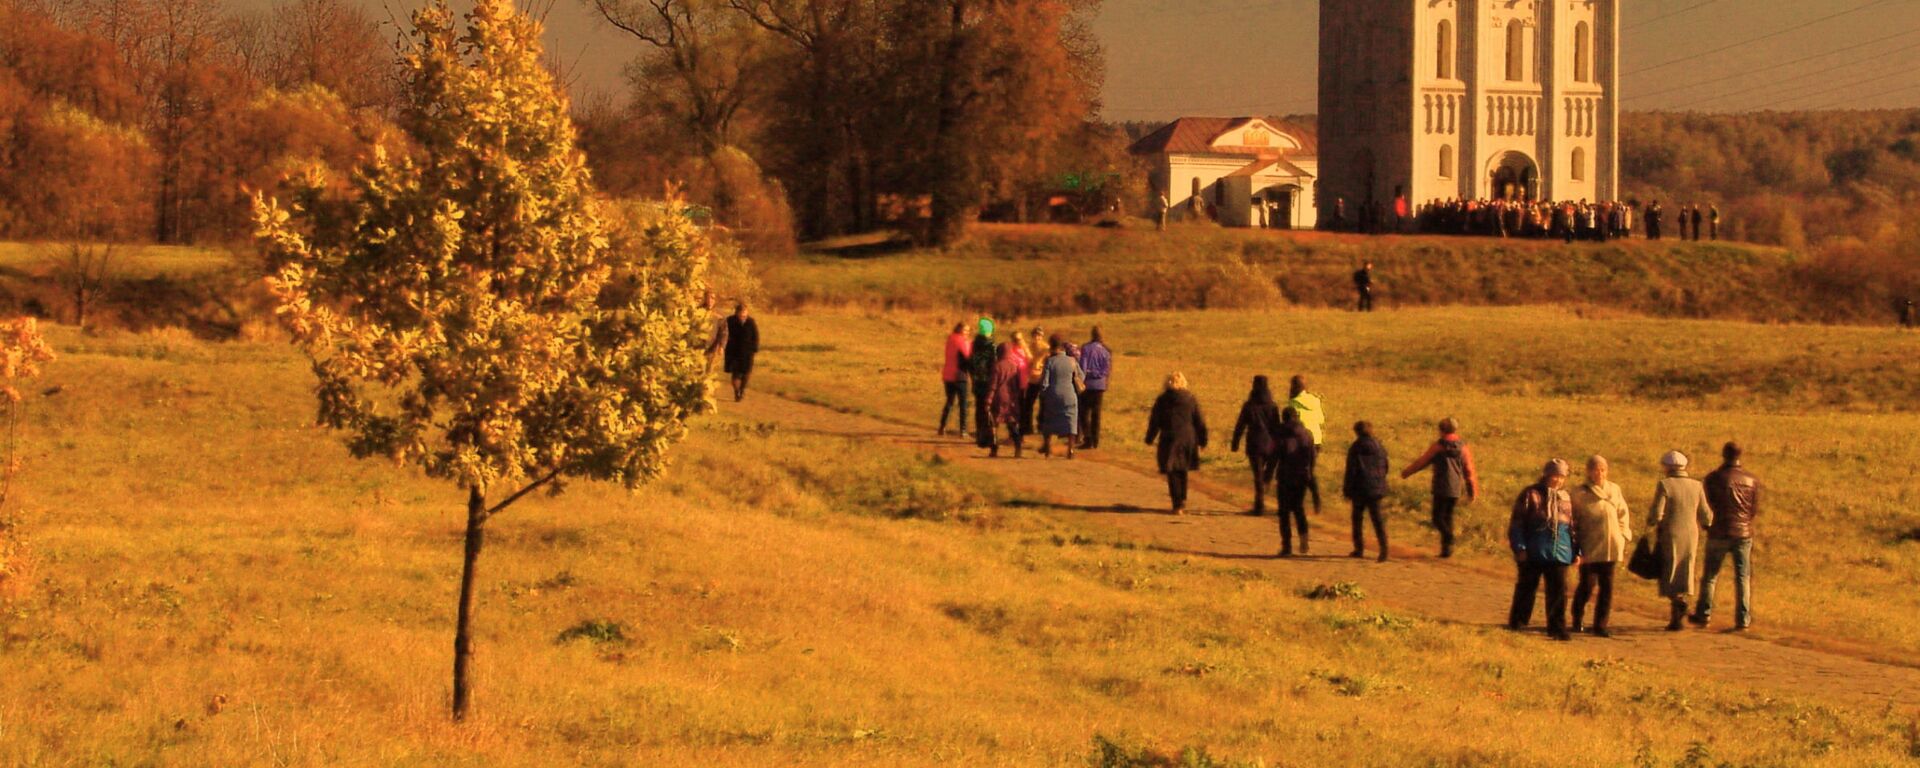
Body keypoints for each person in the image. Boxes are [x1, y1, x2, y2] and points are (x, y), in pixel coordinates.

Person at [1508, 459, 1577, 641]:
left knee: (1558, 592)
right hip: (1533, 550)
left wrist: (1577, 551)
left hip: (1560, 551)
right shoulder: (1530, 494)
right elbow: (1517, 523)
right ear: (1546, 475)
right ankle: (1518, 622)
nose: (1558, 480)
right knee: (1527, 588)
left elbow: (1573, 527)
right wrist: (1520, 547)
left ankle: (1557, 628)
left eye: (1561, 477)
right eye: (1555, 476)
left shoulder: (1567, 497)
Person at [1695, 442, 1761, 630]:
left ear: (1724, 454)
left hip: (1718, 531)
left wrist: (1708, 525)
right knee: (1743, 577)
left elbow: (1707, 505)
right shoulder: (1751, 480)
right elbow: (1753, 509)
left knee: (1710, 576)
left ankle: (1704, 614)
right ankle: (1743, 619)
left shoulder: (1713, 478)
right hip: (1743, 532)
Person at [1648, 450, 1714, 631]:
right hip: (1691, 534)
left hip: (1670, 534)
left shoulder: (1665, 485)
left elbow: (1657, 513)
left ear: (1668, 467)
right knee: (1686, 569)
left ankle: (1677, 608)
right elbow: (1706, 515)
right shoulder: (1697, 485)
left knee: (1669, 571)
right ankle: (1681, 604)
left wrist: (1652, 522)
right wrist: (1707, 525)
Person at [1570, 455, 1632, 637]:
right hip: (1589, 546)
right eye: (1595, 469)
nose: (1599, 473)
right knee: (1587, 585)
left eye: (1603, 469)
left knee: (1607, 587)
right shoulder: (1579, 493)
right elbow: (1574, 520)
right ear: (1588, 471)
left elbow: (1623, 513)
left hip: (1611, 546)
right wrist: (1576, 545)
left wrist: (1622, 534)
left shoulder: (1614, 489)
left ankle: (1601, 625)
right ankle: (1577, 618)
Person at [1400, 417, 1479, 557]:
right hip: (1455, 488)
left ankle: (1449, 537)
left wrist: (1407, 472)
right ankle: (1446, 551)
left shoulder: (1438, 446)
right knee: (1448, 518)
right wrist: (1472, 491)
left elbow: (1422, 462)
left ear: (1441, 430)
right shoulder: (1463, 448)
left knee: (1437, 518)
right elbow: (1469, 471)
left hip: (1440, 487)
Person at [1145, 372, 1207, 515]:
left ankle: (1177, 503)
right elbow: (1199, 421)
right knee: (1183, 469)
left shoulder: (1162, 400)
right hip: (1187, 438)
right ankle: (1182, 500)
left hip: (1169, 437)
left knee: (1171, 470)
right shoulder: (1191, 399)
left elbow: (1155, 421)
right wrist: (1203, 440)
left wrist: (1150, 437)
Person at [1230, 376, 1283, 516]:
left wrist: (1235, 442)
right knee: (1266, 475)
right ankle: (1267, 485)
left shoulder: (1249, 405)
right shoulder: (1273, 406)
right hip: (1270, 445)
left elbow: (1240, 425)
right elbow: (1277, 427)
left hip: (1254, 445)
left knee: (1257, 476)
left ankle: (1259, 506)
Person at [1342, 421, 1390, 562]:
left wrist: (1347, 489)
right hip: (1376, 487)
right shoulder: (1379, 446)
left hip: (1360, 488)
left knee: (1357, 519)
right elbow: (1386, 466)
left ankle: (1359, 548)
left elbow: (1351, 470)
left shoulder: (1356, 447)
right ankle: (1384, 549)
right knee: (1378, 520)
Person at [1272, 407, 1315, 556]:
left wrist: (1267, 476)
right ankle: (1304, 541)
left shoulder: (1280, 434)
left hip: (1285, 476)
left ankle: (1287, 546)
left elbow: (1274, 456)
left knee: (1284, 513)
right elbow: (1312, 457)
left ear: (1284, 418)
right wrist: (1310, 475)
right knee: (1299, 509)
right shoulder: (1307, 434)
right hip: (1302, 476)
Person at [1035, 337, 1083, 459]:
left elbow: (1045, 382)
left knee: (1049, 421)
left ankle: (1047, 448)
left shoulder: (1050, 361)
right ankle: (1070, 449)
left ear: (1051, 346)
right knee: (1071, 420)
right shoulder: (1072, 361)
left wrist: (1043, 394)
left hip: (1053, 394)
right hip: (1069, 395)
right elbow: (1081, 376)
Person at [1287, 376, 1326, 515]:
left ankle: (1303, 501)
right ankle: (1314, 500)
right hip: (1316, 439)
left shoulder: (1293, 403)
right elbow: (1321, 419)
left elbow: (1292, 423)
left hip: (1301, 441)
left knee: (1300, 472)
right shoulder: (1315, 400)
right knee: (1308, 470)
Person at [986, 342, 1026, 459]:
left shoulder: (997, 366)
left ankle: (994, 448)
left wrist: (988, 400)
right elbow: (1018, 384)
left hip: (998, 398)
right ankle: (1018, 447)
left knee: (994, 424)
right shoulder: (1014, 366)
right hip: (1011, 398)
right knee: (1012, 423)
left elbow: (993, 385)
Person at [718, 302, 759, 402]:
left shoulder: (751, 322)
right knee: (736, 374)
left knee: (746, 373)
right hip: (733, 351)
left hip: (747, 352)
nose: (743, 315)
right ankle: (737, 391)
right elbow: (724, 334)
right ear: (736, 313)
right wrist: (723, 346)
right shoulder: (730, 321)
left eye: (744, 313)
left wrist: (755, 348)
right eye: (741, 313)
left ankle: (742, 389)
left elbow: (755, 336)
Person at [1078, 327, 1112, 448]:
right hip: (1100, 385)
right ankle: (1096, 441)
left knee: (1083, 412)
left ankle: (1087, 439)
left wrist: (1087, 375)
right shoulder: (1106, 350)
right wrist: (1100, 376)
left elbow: (1082, 367)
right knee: (1096, 414)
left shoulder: (1086, 348)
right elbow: (1106, 369)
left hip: (1088, 384)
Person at [969, 318, 999, 450]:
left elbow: (971, 364)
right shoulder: (992, 346)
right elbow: (995, 365)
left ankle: (980, 435)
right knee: (990, 409)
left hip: (977, 382)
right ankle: (991, 436)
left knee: (979, 409)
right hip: (989, 382)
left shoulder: (974, 344)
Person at [938, 322, 972, 437]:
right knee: (963, 403)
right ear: (959, 330)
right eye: (965, 330)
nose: (967, 333)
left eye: (968, 331)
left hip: (947, 374)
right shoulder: (961, 341)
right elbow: (968, 356)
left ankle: (942, 426)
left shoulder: (950, 340)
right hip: (959, 375)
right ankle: (963, 430)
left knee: (950, 401)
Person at [1021, 327, 1047, 438]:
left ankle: (1041, 427)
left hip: (1041, 379)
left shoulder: (1046, 348)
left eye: (1039, 336)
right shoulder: (1029, 347)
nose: (1037, 338)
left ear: (1042, 337)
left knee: (1043, 405)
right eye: (1035, 335)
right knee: (1028, 404)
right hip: (1031, 379)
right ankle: (1028, 427)